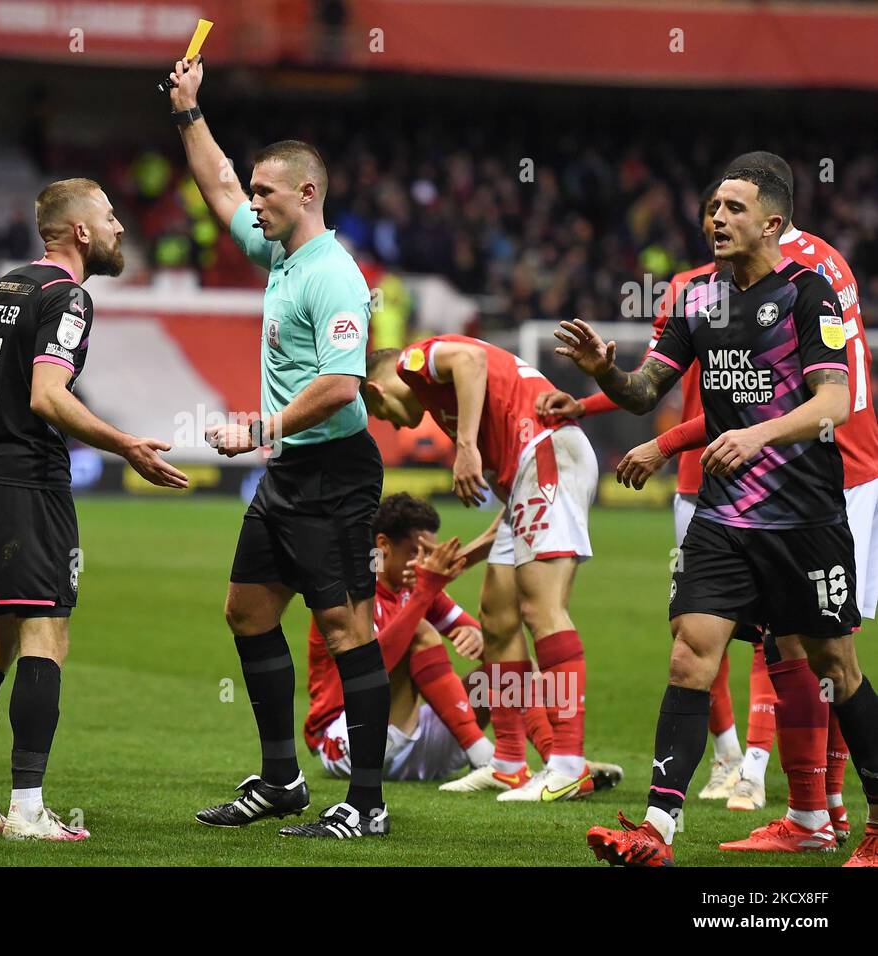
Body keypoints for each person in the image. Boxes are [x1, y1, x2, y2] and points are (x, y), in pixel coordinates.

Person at [560, 166, 878, 866]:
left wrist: (758, 435)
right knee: (688, 652)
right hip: (726, 516)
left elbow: (833, 402)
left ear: (771, 224)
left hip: (804, 516)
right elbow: (646, 390)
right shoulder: (698, 298)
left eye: (735, 207)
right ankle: (655, 830)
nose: (717, 218)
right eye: (711, 207)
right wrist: (603, 372)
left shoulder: (809, 294)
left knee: (836, 666)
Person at [166, 56, 391, 839]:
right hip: (291, 473)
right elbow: (218, 186)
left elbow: (342, 384)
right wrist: (190, 111)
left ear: (306, 194)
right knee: (247, 611)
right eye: (254, 189)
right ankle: (282, 780)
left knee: (346, 631)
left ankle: (366, 805)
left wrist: (259, 427)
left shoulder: (332, 273)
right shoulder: (282, 255)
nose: (250, 202)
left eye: (266, 192)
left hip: (335, 471)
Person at [0, 179, 188, 842]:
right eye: (110, 217)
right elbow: (50, 396)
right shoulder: (67, 297)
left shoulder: (2, 289)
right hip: (29, 487)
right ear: (80, 232)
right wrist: (126, 444)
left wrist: (1, 428)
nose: (120, 229)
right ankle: (26, 808)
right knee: (46, 637)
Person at [362, 335, 623, 801]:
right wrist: (480, 548)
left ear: (374, 393)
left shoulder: (410, 363)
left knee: (541, 610)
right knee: (498, 618)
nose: (394, 427)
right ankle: (507, 763)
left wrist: (464, 447)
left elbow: (471, 357)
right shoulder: (437, 394)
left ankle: (567, 763)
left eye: (380, 416)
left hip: (546, 453)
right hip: (529, 471)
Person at [305, 493, 495, 784]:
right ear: (383, 546)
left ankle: (550, 762)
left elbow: (494, 650)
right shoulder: (346, 588)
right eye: (416, 552)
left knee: (509, 664)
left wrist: (480, 638)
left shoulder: (417, 587)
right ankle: (482, 755)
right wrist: (426, 591)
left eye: (429, 553)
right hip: (347, 739)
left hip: (409, 741)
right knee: (419, 631)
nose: (424, 562)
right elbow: (370, 670)